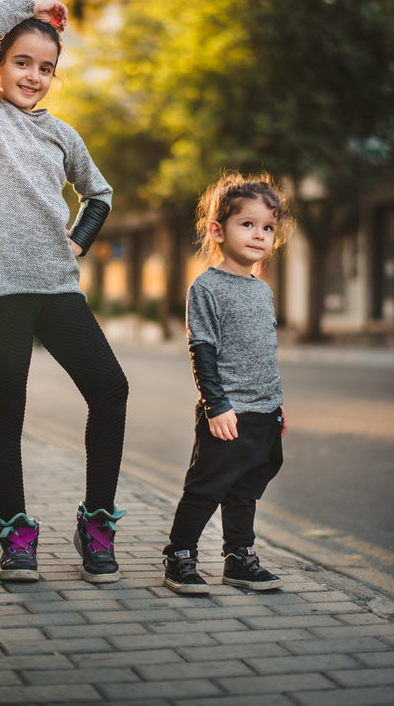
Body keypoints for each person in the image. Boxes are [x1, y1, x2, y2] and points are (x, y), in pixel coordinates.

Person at [0, 0, 128, 584]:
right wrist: (32, 5)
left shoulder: (62, 135)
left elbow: (99, 194)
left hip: (56, 287)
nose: (33, 76)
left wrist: (78, 241)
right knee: (8, 407)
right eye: (22, 62)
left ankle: (97, 524)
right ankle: (17, 535)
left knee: (111, 390)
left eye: (46, 67)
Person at [162, 172, 292, 595]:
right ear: (218, 231)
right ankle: (180, 556)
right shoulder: (206, 287)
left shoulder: (262, 290)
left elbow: (264, 353)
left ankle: (239, 558)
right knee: (205, 488)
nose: (259, 234)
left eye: (268, 227)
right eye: (247, 224)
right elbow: (202, 350)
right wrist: (216, 405)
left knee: (245, 490)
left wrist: (276, 406)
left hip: (263, 412)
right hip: (228, 412)